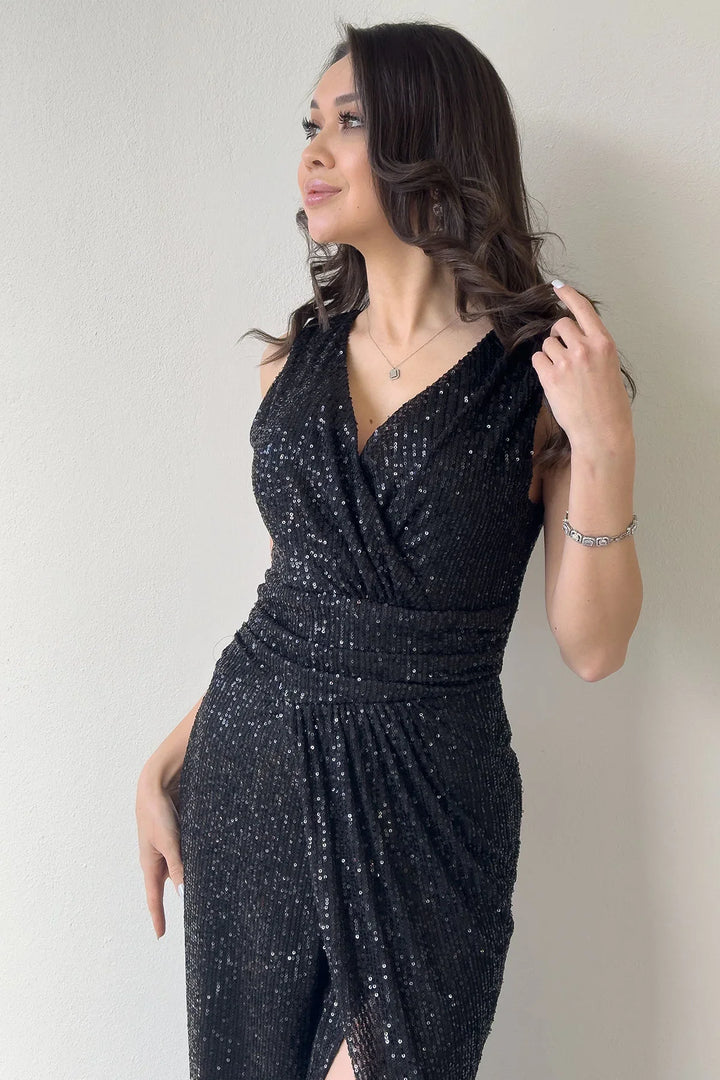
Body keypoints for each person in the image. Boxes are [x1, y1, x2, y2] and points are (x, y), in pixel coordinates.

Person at [135, 19, 642, 1080]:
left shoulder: (544, 368)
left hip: (429, 806)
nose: (313, 152)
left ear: (432, 137)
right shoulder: (292, 362)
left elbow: (594, 650)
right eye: (309, 126)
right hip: (251, 780)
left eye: (350, 122)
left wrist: (605, 446)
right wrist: (170, 754)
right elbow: (296, 602)